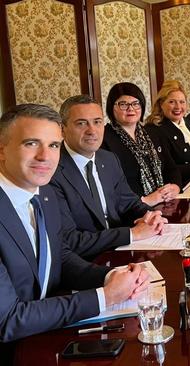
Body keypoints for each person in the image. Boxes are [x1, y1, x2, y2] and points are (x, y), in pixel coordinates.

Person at [0, 104, 147, 349]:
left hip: (47, 335)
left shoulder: (43, 193)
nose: (45, 156)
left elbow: (59, 257)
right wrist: (104, 297)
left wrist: (110, 276)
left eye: (54, 145)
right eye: (31, 143)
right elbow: (9, 320)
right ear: (2, 150)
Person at [49, 95, 166, 259]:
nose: (92, 130)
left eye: (97, 122)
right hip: (85, 262)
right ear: (62, 129)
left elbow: (129, 203)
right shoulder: (51, 170)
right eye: (81, 123)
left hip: (122, 253)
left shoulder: (108, 159)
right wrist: (131, 234)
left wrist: (151, 216)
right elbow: (70, 240)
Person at [102, 82, 181, 206]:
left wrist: (175, 187)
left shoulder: (152, 133)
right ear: (111, 107)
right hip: (133, 210)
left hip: (165, 203)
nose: (131, 109)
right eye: (123, 104)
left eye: (135, 104)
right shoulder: (104, 140)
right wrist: (147, 200)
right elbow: (110, 187)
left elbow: (171, 169)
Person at [144, 80, 190, 184]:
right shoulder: (154, 129)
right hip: (176, 187)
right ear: (161, 104)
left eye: (182, 102)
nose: (178, 107)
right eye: (172, 102)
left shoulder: (187, 123)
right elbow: (162, 169)